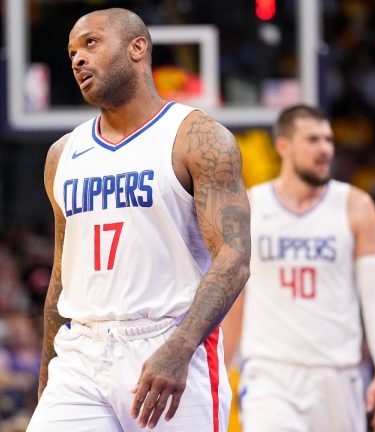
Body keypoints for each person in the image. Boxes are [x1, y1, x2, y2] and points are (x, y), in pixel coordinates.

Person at [27, 8, 251, 431]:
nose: (77, 58)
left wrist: (181, 347)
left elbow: (235, 257)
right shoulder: (62, 155)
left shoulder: (196, 138)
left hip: (168, 338)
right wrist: (46, 384)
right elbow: (60, 277)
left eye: (91, 43)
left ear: (137, 48)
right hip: (82, 353)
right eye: (72, 51)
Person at [221, 105, 375, 432]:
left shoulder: (356, 206)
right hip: (270, 373)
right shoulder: (250, 206)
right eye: (313, 140)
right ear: (283, 146)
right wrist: (219, 371)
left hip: (339, 372)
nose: (325, 149)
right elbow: (235, 299)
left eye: (329, 140)